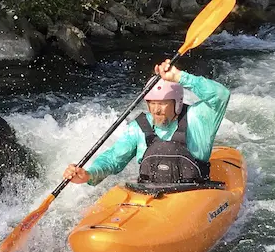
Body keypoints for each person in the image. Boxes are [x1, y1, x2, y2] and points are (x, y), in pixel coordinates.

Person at [63, 59, 230, 187]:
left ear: (177, 102)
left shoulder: (198, 117)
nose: (156, 110)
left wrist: (180, 77)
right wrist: (89, 174)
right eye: (151, 103)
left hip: (194, 191)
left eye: (162, 103)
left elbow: (221, 94)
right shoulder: (139, 127)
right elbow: (113, 158)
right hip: (150, 194)